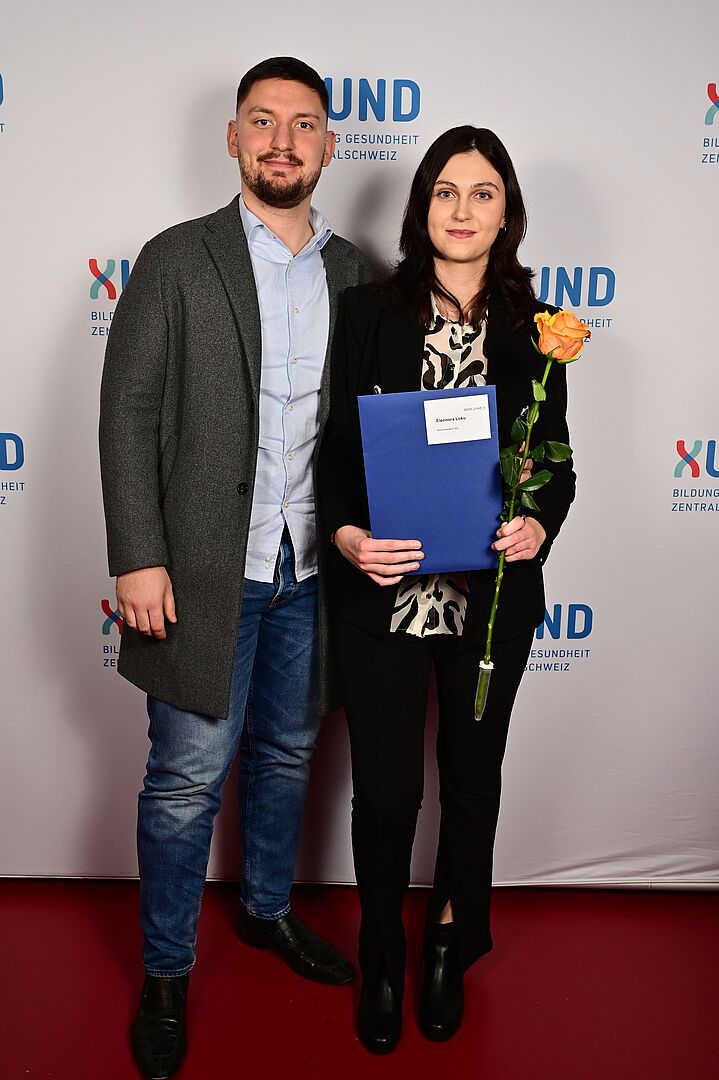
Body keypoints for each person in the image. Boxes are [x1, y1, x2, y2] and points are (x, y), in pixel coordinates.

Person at [99, 56, 374, 1080]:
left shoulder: (356, 275)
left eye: (302, 125)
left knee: (287, 757)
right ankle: (166, 974)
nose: (281, 141)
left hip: (314, 569)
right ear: (232, 138)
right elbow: (127, 413)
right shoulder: (178, 258)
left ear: (328, 145)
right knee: (184, 783)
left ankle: (263, 911)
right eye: (262, 121)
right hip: (203, 571)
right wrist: (138, 555)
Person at [318, 126, 576, 1053]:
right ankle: (382, 951)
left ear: (507, 214)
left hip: (490, 598)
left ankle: (447, 941)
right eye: (445, 191)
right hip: (384, 593)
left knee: (470, 781)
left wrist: (536, 523)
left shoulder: (537, 328)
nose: (461, 211)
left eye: (482, 193)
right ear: (421, 204)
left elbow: (555, 463)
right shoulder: (364, 313)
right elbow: (333, 454)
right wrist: (345, 535)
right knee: (386, 793)